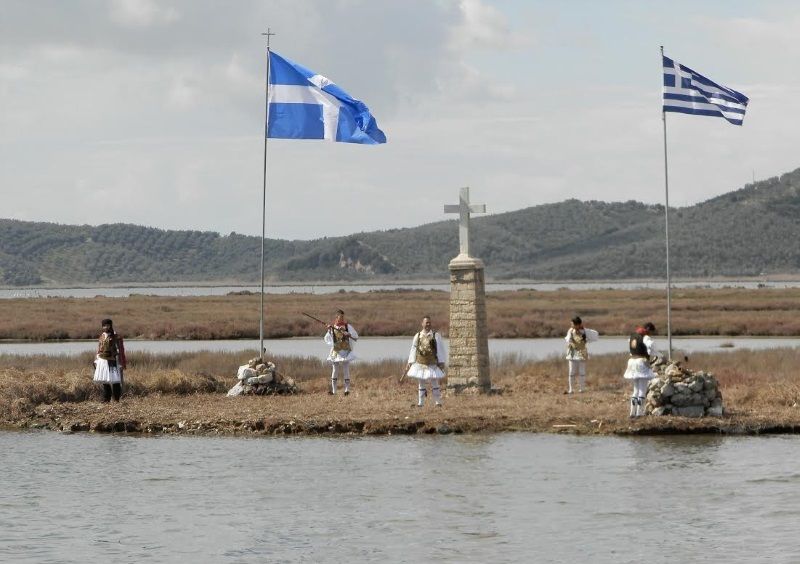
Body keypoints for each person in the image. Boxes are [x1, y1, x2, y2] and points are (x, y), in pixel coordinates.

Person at [404, 315, 446, 407]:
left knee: (435, 383)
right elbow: (413, 349)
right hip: (420, 364)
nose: (428, 324)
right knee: (421, 383)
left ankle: (438, 402)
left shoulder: (436, 336)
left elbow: (440, 349)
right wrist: (410, 362)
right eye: (426, 322)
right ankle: (421, 403)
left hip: (432, 364)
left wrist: (441, 361)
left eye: (429, 323)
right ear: (422, 323)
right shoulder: (417, 336)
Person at [624, 322, 660, 417]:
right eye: (651, 332)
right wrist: (654, 353)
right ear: (648, 329)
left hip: (632, 362)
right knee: (642, 390)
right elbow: (651, 346)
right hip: (641, 362)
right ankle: (639, 413)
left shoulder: (633, 336)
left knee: (635, 390)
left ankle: (632, 413)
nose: (651, 334)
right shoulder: (646, 337)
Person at [324, 309, 358, 395]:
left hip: (345, 350)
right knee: (335, 369)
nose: (342, 318)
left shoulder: (347, 326)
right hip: (336, 351)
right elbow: (328, 339)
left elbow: (355, 336)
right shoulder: (332, 327)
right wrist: (329, 330)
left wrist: (348, 334)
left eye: (343, 317)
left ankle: (347, 390)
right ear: (336, 317)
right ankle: (334, 391)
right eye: (340, 317)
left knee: (346, 369)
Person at [93, 318, 126, 402]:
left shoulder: (116, 336)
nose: (105, 327)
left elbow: (121, 350)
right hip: (102, 360)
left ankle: (116, 399)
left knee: (115, 380)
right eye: (104, 326)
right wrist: (96, 359)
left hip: (113, 360)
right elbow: (99, 348)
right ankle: (106, 398)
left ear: (110, 325)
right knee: (105, 379)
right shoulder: (102, 336)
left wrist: (121, 362)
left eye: (107, 325)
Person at [564, 315, 599, 394]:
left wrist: (585, 335)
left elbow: (595, 335)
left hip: (582, 353)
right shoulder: (570, 331)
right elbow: (567, 339)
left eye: (572, 324)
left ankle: (582, 389)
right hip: (572, 353)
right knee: (571, 372)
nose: (571, 325)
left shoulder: (585, 331)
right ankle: (571, 389)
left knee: (582, 372)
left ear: (577, 324)